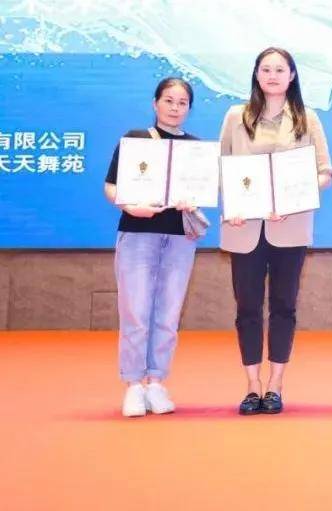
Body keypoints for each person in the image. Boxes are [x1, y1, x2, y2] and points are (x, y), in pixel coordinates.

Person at [219, 47, 332, 415]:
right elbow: (221, 169)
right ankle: (252, 385)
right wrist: (233, 205)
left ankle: (275, 384)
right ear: (256, 74)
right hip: (244, 228)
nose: (272, 75)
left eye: (279, 69)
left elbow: (325, 173)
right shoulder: (235, 116)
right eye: (265, 69)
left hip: (291, 227)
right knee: (247, 308)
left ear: (292, 75)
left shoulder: (307, 118)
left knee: (284, 306)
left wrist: (296, 197)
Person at [104, 77, 201, 417]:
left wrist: (193, 201)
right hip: (137, 233)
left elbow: (201, 191)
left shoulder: (195, 148)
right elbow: (111, 186)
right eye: (169, 101)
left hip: (179, 238)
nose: (175, 108)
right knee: (135, 310)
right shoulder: (135, 140)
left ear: (189, 108)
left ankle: (156, 381)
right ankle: (133, 385)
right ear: (155, 103)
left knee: (169, 313)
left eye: (182, 103)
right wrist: (130, 206)